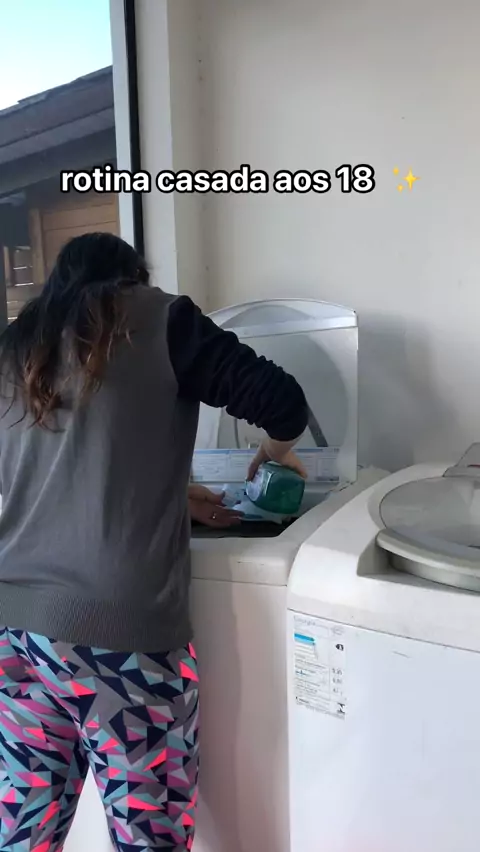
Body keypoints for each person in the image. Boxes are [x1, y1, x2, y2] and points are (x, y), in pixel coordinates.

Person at [0, 232, 308, 852]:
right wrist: (273, 455)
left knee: (24, 827)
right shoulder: (157, 317)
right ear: (132, 280)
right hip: (121, 642)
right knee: (151, 837)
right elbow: (284, 404)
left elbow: (53, 471)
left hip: (15, 634)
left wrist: (171, 490)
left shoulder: (17, 346)